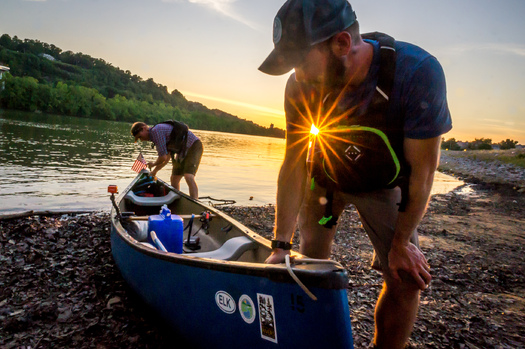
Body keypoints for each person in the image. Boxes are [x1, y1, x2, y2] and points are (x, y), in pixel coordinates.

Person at [259, 1, 452, 348]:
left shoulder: (418, 72)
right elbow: (293, 162)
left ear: (342, 44)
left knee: (406, 280)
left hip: (384, 184)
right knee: (309, 265)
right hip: (325, 181)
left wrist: (401, 243)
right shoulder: (300, 87)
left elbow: (423, 175)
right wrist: (280, 244)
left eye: (302, 62)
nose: (298, 75)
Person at [131, 121, 203, 199]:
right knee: (174, 178)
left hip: (194, 146)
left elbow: (163, 158)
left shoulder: (156, 132)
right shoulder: (157, 134)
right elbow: (166, 158)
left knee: (188, 176)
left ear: (144, 129)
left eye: (140, 137)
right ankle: (175, 201)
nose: (141, 140)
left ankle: (195, 201)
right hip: (182, 151)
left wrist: (153, 164)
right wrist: (155, 171)